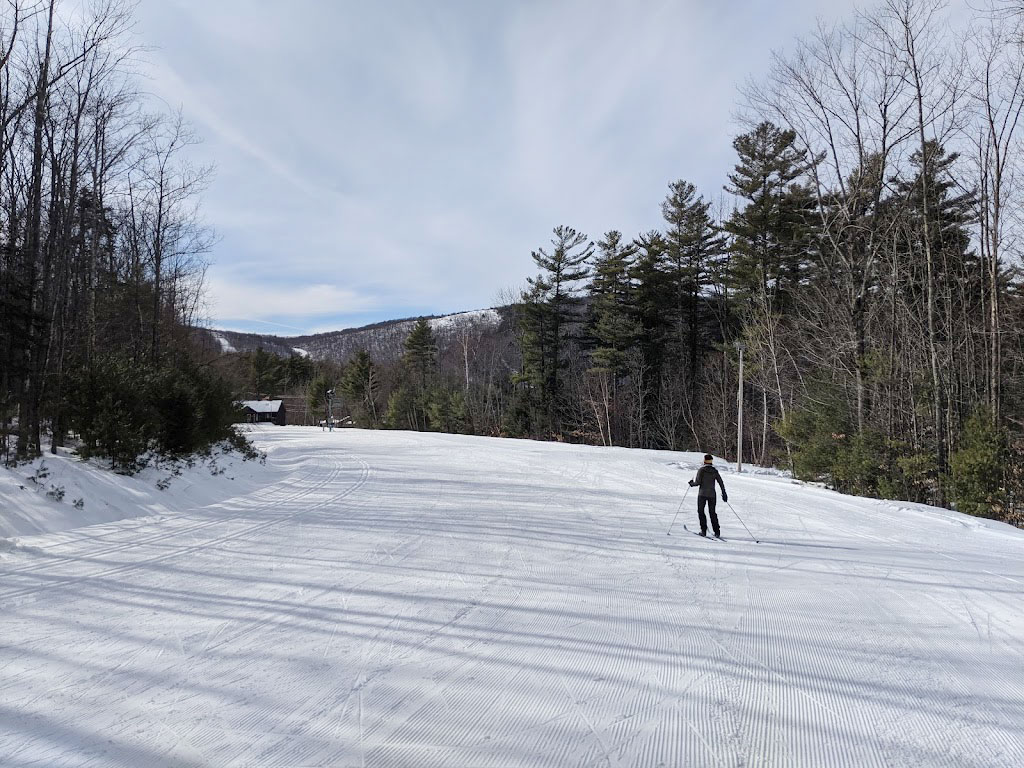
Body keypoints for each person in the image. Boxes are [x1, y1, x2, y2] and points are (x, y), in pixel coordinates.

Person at [688, 454, 727, 537]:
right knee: (712, 513)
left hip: (702, 494)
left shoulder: (701, 470)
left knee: (701, 511)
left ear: (704, 461)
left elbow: (698, 482)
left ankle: (703, 531)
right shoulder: (714, 471)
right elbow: (721, 482)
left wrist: (691, 483)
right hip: (712, 495)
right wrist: (724, 493)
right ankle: (717, 532)